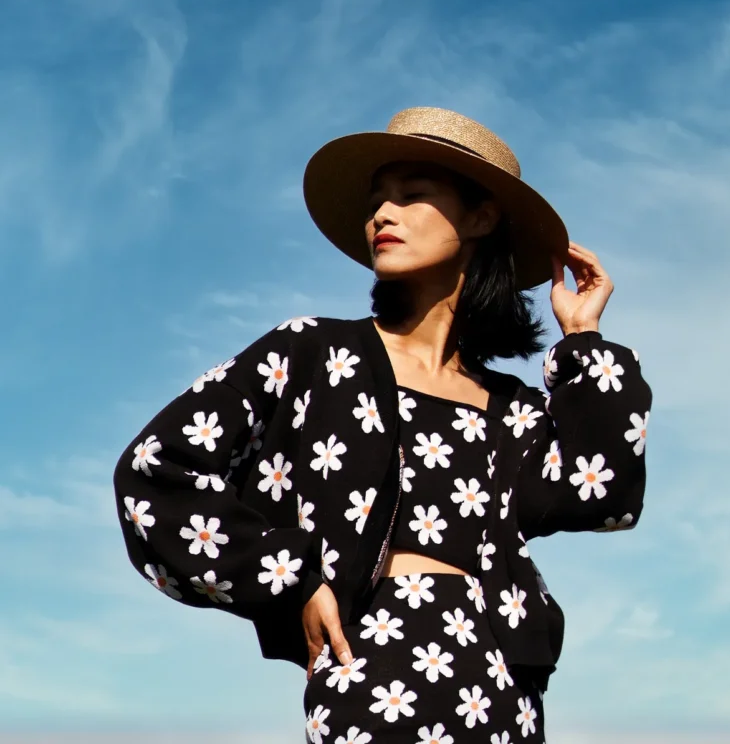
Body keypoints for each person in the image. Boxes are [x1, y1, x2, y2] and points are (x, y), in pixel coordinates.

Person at [113, 106, 653, 743]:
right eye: (376, 202)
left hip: (502, 680)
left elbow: (604, 493)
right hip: (368, 663)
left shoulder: (510, 406)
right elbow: (156, 469)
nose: (382, 215)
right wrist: (289, 577)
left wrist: (583, 340)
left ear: (481, 218)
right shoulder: (311, 353)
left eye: (412, 194)